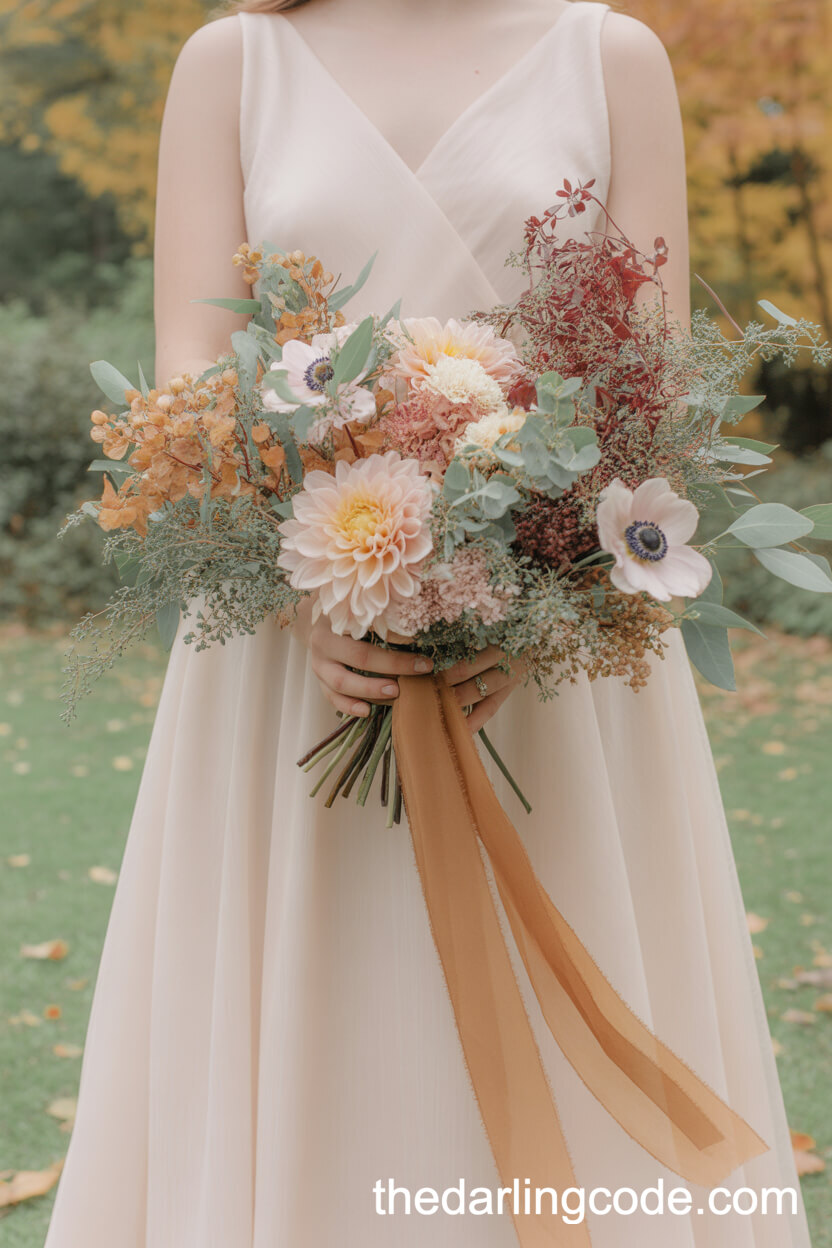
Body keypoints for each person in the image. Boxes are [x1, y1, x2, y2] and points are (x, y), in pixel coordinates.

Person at [43, 1, 813, 1244]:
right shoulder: (231, 62)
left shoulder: (610, 55)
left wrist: (530, 581)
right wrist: (308, 588)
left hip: (556, 648)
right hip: (291, 645)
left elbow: (647, 375)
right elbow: (192, 366)